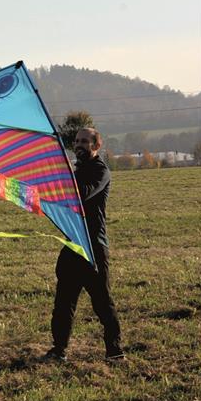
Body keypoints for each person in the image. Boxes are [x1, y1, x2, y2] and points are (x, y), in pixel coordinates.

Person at [45, 127, 124, 362]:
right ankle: (59, 350)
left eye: (85, 141)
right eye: (77, 141)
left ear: (96, 145)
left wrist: (65, 175)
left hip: (93, 248)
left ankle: (114, 351)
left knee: (102, 303)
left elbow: (82, 195)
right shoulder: (75, 171)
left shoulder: (101, 171)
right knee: (63, 304)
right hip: (72, 246)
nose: (79, 144)